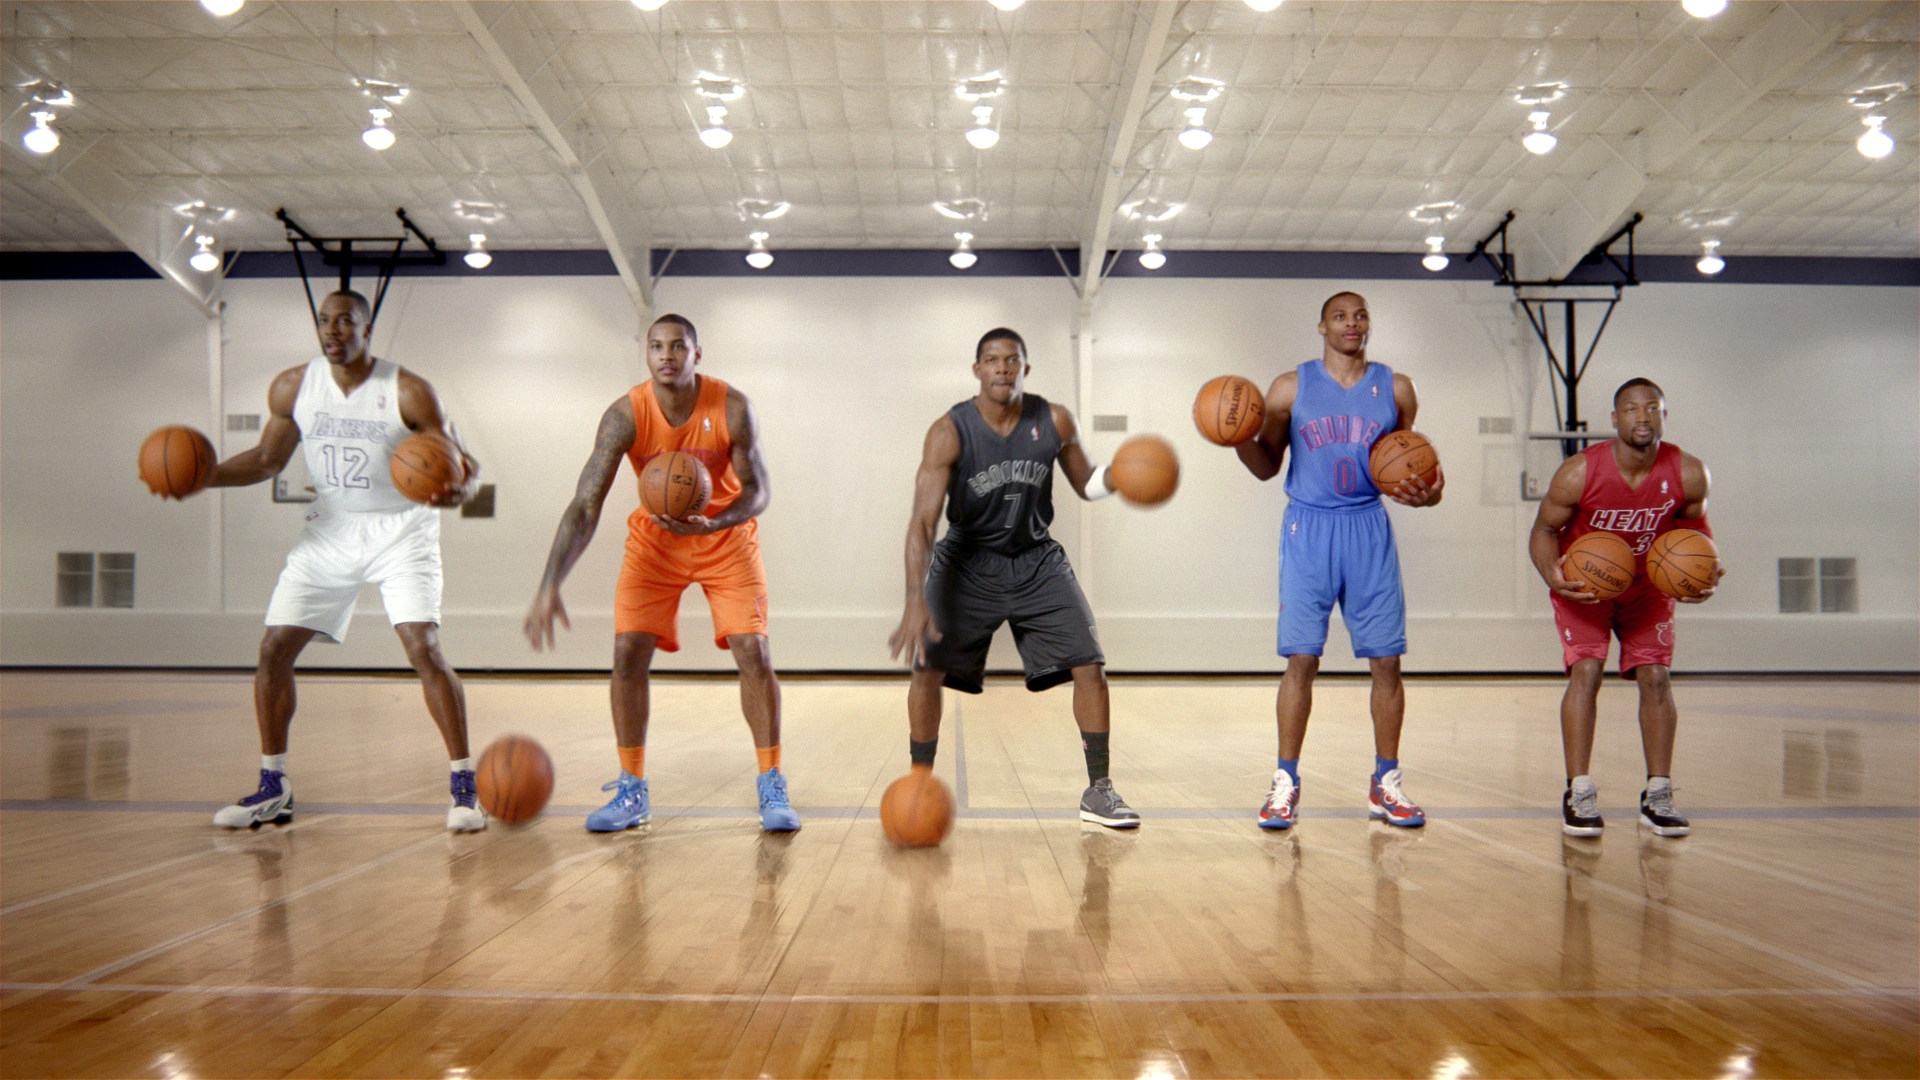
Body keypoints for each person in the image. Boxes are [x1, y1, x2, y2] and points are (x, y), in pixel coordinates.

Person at [208, 289, 485, 832]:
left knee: (423, 647)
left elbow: (462, 460)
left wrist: (461, 488)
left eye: (345, 322)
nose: (333, 331)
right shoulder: (293, 386)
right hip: (331, 529)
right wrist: (207, 474)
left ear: (366, 328)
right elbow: (267, 460)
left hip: (402, 529)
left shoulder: (406, 390)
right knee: (273, 649)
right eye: (324, 321)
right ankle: (273, 786)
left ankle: (463, 789)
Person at [525, 313, 795, 832]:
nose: (666, 355)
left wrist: (714, 519)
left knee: (753, 649)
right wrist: (549, 584)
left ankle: (771, 780)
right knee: (627, 650)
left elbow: (758, 490)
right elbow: (585, 504)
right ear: (646, 354)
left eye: (678, 346)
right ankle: (632, 789)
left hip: (724, 536)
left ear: (698, 354)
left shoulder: (733, 407)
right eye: (656, 346)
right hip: (655, 542)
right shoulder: (623, 416)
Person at [888, 327, 1139, 829]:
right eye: (992, 360)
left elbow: (1087, 482)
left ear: (1026, 368)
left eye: (1012, 360)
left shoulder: (1054, 419)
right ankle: (918, 781)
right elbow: (921, 521)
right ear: (977, 370)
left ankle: (1100, 790)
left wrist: (1121, 475)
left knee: (1090, 663)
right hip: (966, 561)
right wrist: (915, 598)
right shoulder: (949, 430)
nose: (1002, 367)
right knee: (927, 668)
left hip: (1035, 558)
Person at [1233, 291, 1444, 830]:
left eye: (1361, 315)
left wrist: (1429, 494)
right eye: (1341, 316)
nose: (1352, 323)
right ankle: (1284, 782)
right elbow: (1265, 466)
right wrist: (1236, 439)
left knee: (1387, 662)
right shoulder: (1290, 387)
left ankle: (1387, 782)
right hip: (1309, 526)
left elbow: (1414, 467)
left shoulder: (1397, 388)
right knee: (1302, 659)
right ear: (1322, 327)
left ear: (1369, 326)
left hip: (1368, 526)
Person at [1528, 378, 1721, 838]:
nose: (1642, 417)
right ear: (1615, 420)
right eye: (1631, 409)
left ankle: (1658, 793)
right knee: (1588, 671)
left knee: (1656, 677)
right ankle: (1578, 789)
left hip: (1648, 588)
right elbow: (1543, 531)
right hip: (1588, 587)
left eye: (1652, 407)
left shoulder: (1689, 472)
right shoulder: (1579, 472)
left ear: (1663, 416)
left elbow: (1698, 537)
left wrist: (1706, 574)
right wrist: (1552, 576)